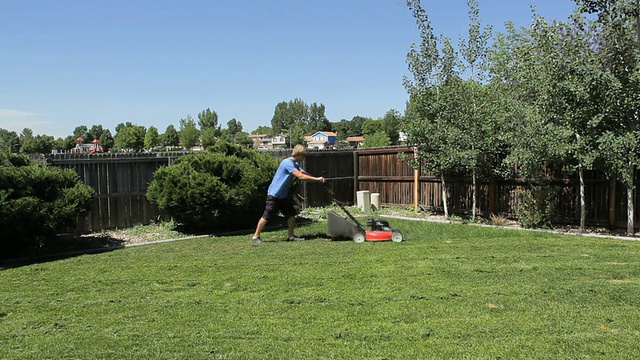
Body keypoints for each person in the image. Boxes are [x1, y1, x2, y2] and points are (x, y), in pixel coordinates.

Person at [252, 144, 324, 243]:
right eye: (303, 155)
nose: (304, 158)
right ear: (299, 154)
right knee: (266, 216)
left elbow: (303, 173)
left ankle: (291, 236)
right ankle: (256, 236)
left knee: (291, 215)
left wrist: (317, 178)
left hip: (283, 196)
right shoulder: (287, 163)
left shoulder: (295, 164)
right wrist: (316, 179)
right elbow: (300, 176)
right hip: (274, 195)